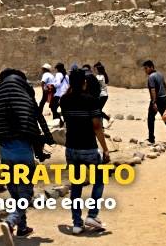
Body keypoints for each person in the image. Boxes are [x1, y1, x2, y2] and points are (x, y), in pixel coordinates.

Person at [0, 68, 53, 246]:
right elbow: (36, 123)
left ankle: (22, 228)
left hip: (4, 150)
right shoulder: (25, 96)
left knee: (14, 189)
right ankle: (11, 220)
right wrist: (41, 149)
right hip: (22, 150)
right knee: (26, 191)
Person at [60, 69, 110, 234]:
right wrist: (106, 149)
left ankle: (76, 223)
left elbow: (68, 98)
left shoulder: (64, 100)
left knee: (76, 185)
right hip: (88, 147)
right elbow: (97, 127)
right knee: (99, 180)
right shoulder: (91, 100)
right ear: (85, 82)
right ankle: (92, 215)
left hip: (71, 148)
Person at [143, 60, 166, 145]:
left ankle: (151, 139)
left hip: (156, 100)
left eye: (146, 68)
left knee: (151, 118)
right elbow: (165, 86)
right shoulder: (160, 74)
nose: (145, 70)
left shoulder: (151, 77)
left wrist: (154, 102)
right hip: (163, 99)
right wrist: (165, 96)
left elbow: (153, 90)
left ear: (151, 67)